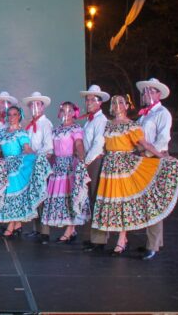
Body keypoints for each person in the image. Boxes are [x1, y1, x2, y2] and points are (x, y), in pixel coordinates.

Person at [90, 95, 178, 257]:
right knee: (112, 204)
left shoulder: (132, 125)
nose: (118, 105)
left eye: (121, 102)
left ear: (127, 106)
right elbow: (101, 145)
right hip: (109, 168)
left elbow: (145, 144)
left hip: (125, 167)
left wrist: (163, 157)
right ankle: (116, 240)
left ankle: (122, 239)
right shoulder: (107, 125)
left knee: (124, 203)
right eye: (114, 102)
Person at [136, 78, 178, 260]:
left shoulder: (163, 113)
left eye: (150, 91)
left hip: (154, 157)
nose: (146, 94)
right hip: (143, 158)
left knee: (154, 202)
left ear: (158, 94)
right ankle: (155, 242)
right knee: (146, 200)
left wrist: (148, 152)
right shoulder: (143, 114)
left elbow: (163, 139)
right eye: (145, 91)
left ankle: (152, 244)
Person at [0, 106, 52, 238]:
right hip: (5, 166)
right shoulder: (1, 132)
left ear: (19, 116)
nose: (12, 117)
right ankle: (17, 225)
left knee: (15, 197)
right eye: (10, 115)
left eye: (14, 114)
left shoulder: (21, 133)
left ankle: (11, 226)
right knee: (8, 196)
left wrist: (37, 158)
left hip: (17, 168)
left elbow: (26, 148)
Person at [41, 102, 90, 243]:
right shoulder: (56, 130)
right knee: (61, 199)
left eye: (69, 111)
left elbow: (79, 144)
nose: (66, 114)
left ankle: (69, 229)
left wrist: (81, 159)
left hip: (69, 165)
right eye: (63, 111)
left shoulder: (75, 129)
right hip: (57, 166)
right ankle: (71, 230)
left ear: (74, 113)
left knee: (70, 196)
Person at [78, 85, 110, 252]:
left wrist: (86, 162)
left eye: (92, 100)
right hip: (89, 162)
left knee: (96, 199)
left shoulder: (101, 120)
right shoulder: (90, 120)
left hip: (95, 162)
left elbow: (98, 144)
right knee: (90, 200)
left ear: (99, 103)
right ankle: (93, 237)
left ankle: (99, 240)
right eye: (87, 99)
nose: (88, 102)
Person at [22, 91, 54, 244]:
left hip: (40, 161)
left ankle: (45, 232)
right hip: (31, 162)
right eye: (32, 104)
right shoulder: (30, 125)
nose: (34, 107)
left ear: (42, 107)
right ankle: (36, 229)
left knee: (42, 194)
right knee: (34, 194)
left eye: (37, 104)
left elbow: (48, 146)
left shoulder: (45, 124)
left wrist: (34, 154)